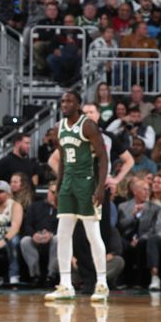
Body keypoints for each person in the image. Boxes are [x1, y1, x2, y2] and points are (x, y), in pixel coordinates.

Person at [44, 91, 110, 303]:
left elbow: (103, 156)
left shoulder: (88, 125)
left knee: (93, 234)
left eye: (69, 101)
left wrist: (100, 187)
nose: (65, 104)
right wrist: (59, 186)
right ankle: (65, 285)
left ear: (78, 104)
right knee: (63, 234)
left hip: (86, 182)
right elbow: (62, 159)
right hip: (68, 184)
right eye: (62, 101)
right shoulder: (58, 128)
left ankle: (102, 283)